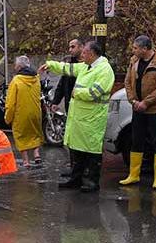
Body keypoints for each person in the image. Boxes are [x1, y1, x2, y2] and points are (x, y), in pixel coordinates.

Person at [39, 40, 115, 192]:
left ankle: (92, 182)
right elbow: (68, 68)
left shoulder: (104, 70)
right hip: (81, 117)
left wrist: (77, 93)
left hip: (93, 118)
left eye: (84, 52)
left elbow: (95, 92)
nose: (82, 55)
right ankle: (76, 179)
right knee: (78, 150)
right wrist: (50, 65)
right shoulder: (87, 66)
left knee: (91, 151)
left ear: (92, 54)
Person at [119, 35, 156, 189]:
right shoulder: (134, 61)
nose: (133, 50)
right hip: (137, 108)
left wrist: (146, 102)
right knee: (136, 140)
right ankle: (133, 174)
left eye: (135, 48)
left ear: (145, 48)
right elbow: (127, 82)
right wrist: (133, 100)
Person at [51, 39, 84, 176]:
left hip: (83, 107)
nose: (70, 50)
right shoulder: (70, 64)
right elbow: (62, 84)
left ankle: (82, 169)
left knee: (81, 139)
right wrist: (55, 101)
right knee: (71, 137)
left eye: (73, 47)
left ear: (81, 47)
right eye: (69, 47)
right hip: (70, 105)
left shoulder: (87, 65)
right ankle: (73, 167)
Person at [5, 55, 44, 168]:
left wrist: (8, 117)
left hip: (21, 114)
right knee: (35, 133)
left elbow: (11, 102)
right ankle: (36, 155)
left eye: (15, 65)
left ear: (19, 67)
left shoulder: (16, 81)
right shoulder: (36, 78)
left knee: (21, 136)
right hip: (36, 112)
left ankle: (26, 161)